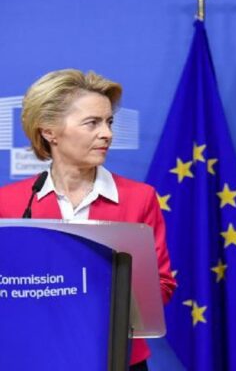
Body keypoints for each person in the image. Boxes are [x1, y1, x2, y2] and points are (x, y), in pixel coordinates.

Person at [0, 69, 177, 370]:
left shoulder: (140, 198)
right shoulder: (9, 203)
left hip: (118, 357)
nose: (107, 133)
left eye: (109, 122)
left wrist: (101, 299)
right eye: (92, 123)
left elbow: (161, 286)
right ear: (49, 131)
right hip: (36, 357)